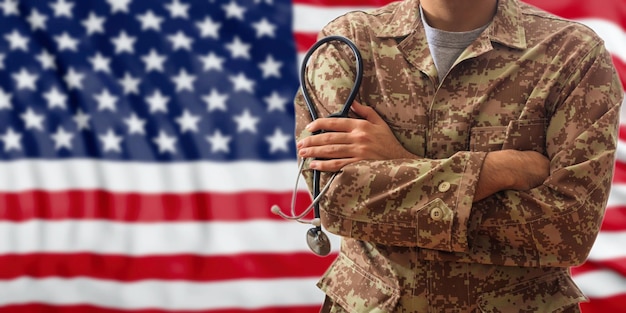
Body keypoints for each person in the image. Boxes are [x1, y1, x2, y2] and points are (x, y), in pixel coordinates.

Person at [293, 0, 624, 312]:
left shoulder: (572, 53)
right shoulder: (346, 45)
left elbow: (569, 232)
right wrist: (498, 170)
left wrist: (394, 159)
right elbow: (335, 201)